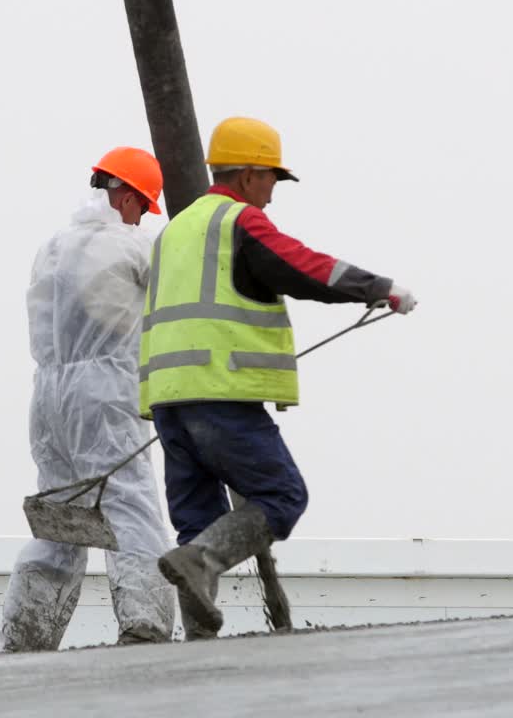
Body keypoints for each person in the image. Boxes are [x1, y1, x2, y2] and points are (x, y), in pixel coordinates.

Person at [138, 117, 417, 639]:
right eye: (270, 179)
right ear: (247, 176)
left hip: (169, 401)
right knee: (282, 496)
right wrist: (376, 287)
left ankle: (200, 641)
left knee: (196, 524)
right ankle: (202, 564)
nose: (271, 194)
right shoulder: (238, 221)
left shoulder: (176, 229)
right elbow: (302, 266)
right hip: (220, 392)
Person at [0, 146, 176, 651]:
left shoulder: (52, 246)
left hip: (48, 398)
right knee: (131, 504)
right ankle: (146, 625)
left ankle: (24, 639)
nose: (142, 217)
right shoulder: (134, 246)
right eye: (143, 206)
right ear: (127, 196)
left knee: (59, 517)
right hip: (104, 392)